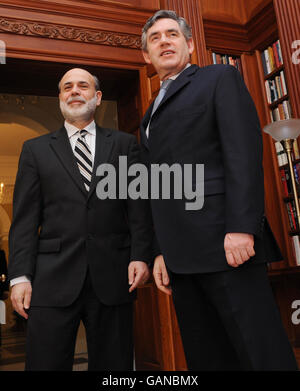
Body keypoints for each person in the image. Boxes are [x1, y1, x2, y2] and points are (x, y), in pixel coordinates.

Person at [140, 10, 298, 370]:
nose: (164, 40)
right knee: (207, 355)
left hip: (226, 245)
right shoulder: (150, 111)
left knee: (259, 352)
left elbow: (242, 153)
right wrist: (160, 251)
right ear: (146, 56)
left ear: (190, 45)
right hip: (180, 258)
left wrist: (242, 227)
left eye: (172, 34)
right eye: (155, 38)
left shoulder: (218, 78)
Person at [8, 68, 153, 370]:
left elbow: (138, 208)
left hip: (114, 277)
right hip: (50, 280)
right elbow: (24, 219)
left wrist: (141, 255)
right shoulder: (35, 150)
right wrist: (20, 276)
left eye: (82, 86)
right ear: (60, 98)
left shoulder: (125, 145)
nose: (74, 91)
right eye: (67, 87)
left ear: (97, 97)